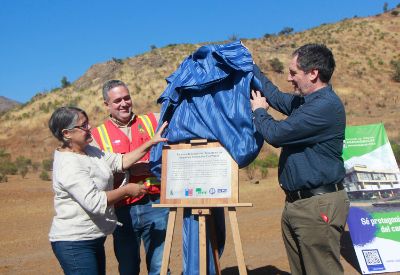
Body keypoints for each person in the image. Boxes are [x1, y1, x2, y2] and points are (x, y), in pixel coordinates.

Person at [250, 43, 350, 275]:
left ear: (313, 73)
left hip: (317, 206)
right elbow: (274, 96)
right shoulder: (306, 102)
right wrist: (251, 68)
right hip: (299, 204)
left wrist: (259, 112)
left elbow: (276, 134)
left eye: (294, 72)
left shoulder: (324, 106)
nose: (289, 78)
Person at [48, 106, 167, 275]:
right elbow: (95, 202)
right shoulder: (69, 164)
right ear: (67, 133)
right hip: (74, 242)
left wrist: (151, 142)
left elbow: (121, 161)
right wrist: (126, 190)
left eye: (88, 123)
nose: (89, 128)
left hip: (93, 238)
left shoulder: (89, 151)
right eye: (83, 126)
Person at [91, 80, 169, 275]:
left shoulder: (152, 120)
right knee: (128, 268)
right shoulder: (96, 135)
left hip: (156, 204)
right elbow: (95, 172)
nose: (124, 103)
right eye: (117, 100)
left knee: (159, 266)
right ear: (106, 105)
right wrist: (128, 170)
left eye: (127, 98)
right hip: (121, 209)